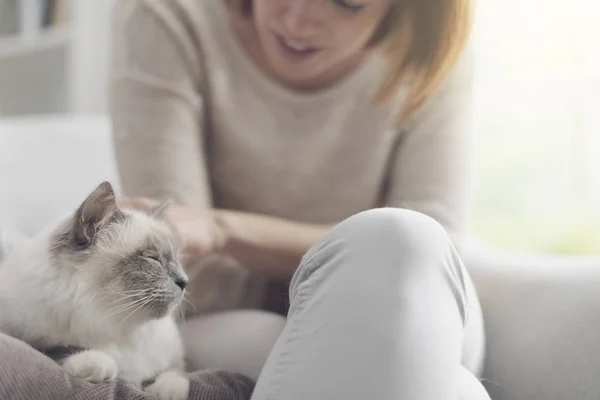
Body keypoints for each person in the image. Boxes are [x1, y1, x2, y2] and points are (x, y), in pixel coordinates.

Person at [109, 0, 491, 398]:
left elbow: (434, 254)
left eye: (347, 3)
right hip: (235, 320)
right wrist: (333, 281)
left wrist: (223, 230)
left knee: (404, 241)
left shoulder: (431, 50)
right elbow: (181, 272)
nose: (297, 20)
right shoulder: (167, 15)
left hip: (414, 306)